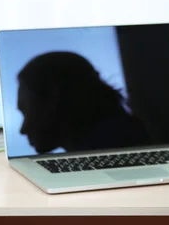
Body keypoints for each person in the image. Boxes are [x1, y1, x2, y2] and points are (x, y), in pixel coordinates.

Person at [16, 51, 150, 154]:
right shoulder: (126, 134)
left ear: (53, 97)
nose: (23, 130)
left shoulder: (115, 145)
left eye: (26, 110)